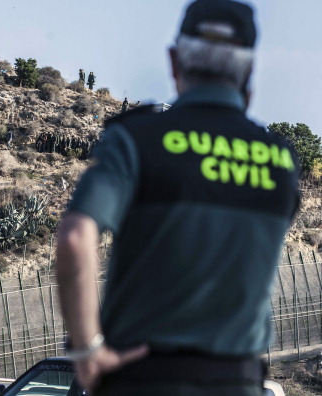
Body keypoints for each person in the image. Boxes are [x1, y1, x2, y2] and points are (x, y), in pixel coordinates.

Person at [55, 1, 300, 395]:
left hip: (140, 381)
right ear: (249, 72)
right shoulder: (281, 161)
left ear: (174, 62)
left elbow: (74, 239)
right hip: (237, 381)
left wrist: (88, 350)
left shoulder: (138, 139)